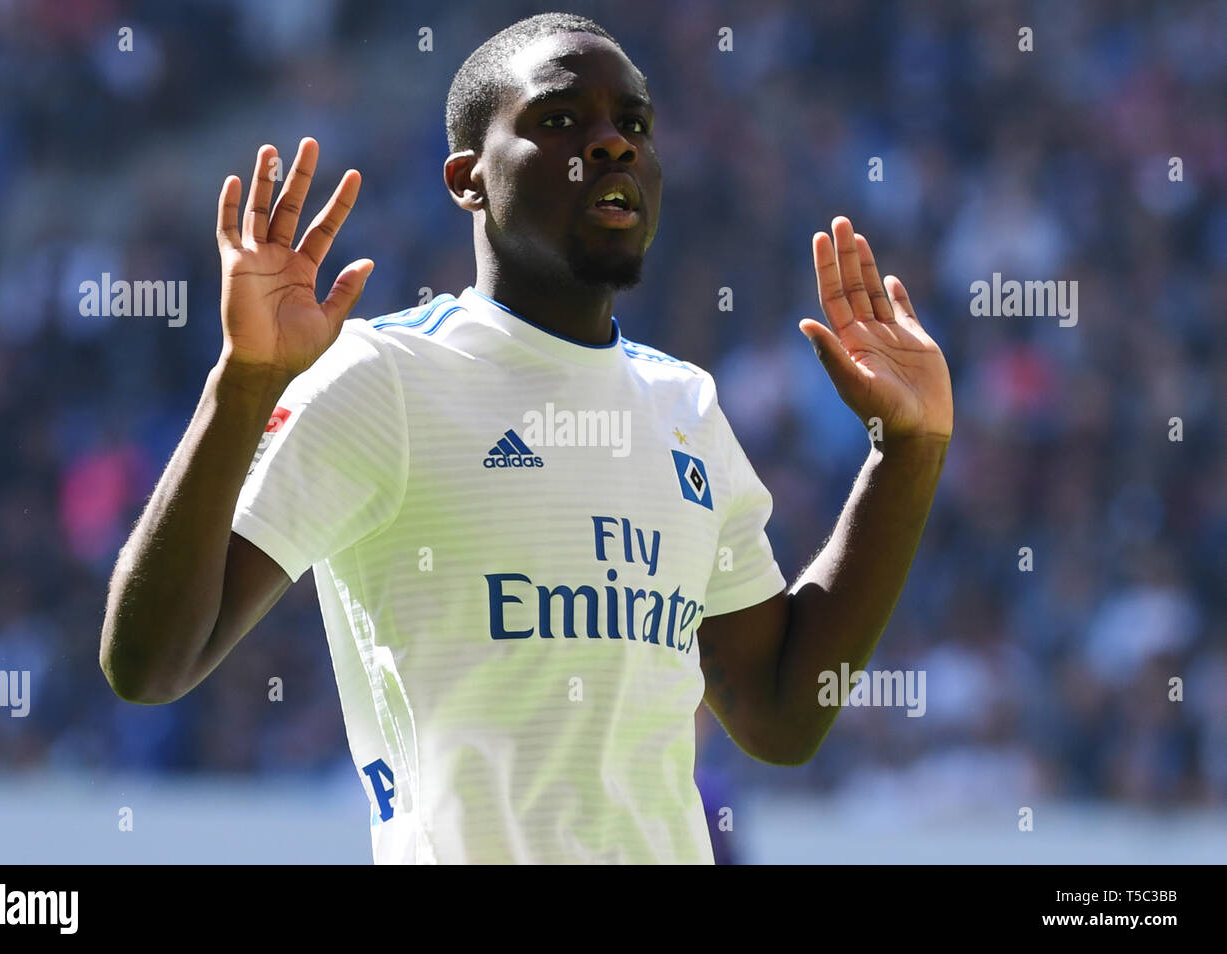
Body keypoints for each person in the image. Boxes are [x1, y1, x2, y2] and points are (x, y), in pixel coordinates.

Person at [99, 13, 953, 864]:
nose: (613, 144)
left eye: (636, 125)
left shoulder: (684, 405)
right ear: (468, 179)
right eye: (560, 121)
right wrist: (244, 382)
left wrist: (907, 453)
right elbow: (149, 667)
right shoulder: (385, 377)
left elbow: (781, 714)